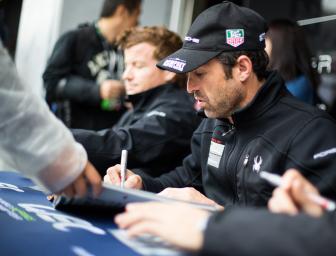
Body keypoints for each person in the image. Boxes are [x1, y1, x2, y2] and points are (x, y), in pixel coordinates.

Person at [112, 0, 336, 255]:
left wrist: (214, 219)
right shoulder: (213, 122)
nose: (190, 87)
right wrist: (142, 183)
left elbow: (325, 239)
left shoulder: (313, 134)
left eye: (200, 74)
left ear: (242, 68)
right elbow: (187, 178)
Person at [72, 26, 201, 176]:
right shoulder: (137, 109)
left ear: (169, 71)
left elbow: (121, 146)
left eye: (137, 66)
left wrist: (59, 137)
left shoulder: (178, 112)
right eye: (126, 66)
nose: (126, 75)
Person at [0, 41, 101, 197]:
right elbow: (50, 81)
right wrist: (59, 152)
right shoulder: (76, 39)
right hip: (68, 141)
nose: (127, 75)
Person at [43, 0, 141, 130]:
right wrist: (97, 91)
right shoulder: (75, 39)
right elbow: (51, 83)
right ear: (122, 11)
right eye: (137, 15)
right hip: (76, 138)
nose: (138, 22)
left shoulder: (126, 48)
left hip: (112, 139)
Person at [265, 19, 320, 105]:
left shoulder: (297, 87)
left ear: (278, 45)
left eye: (266, 40)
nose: (263, 47)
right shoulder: (295, 82)